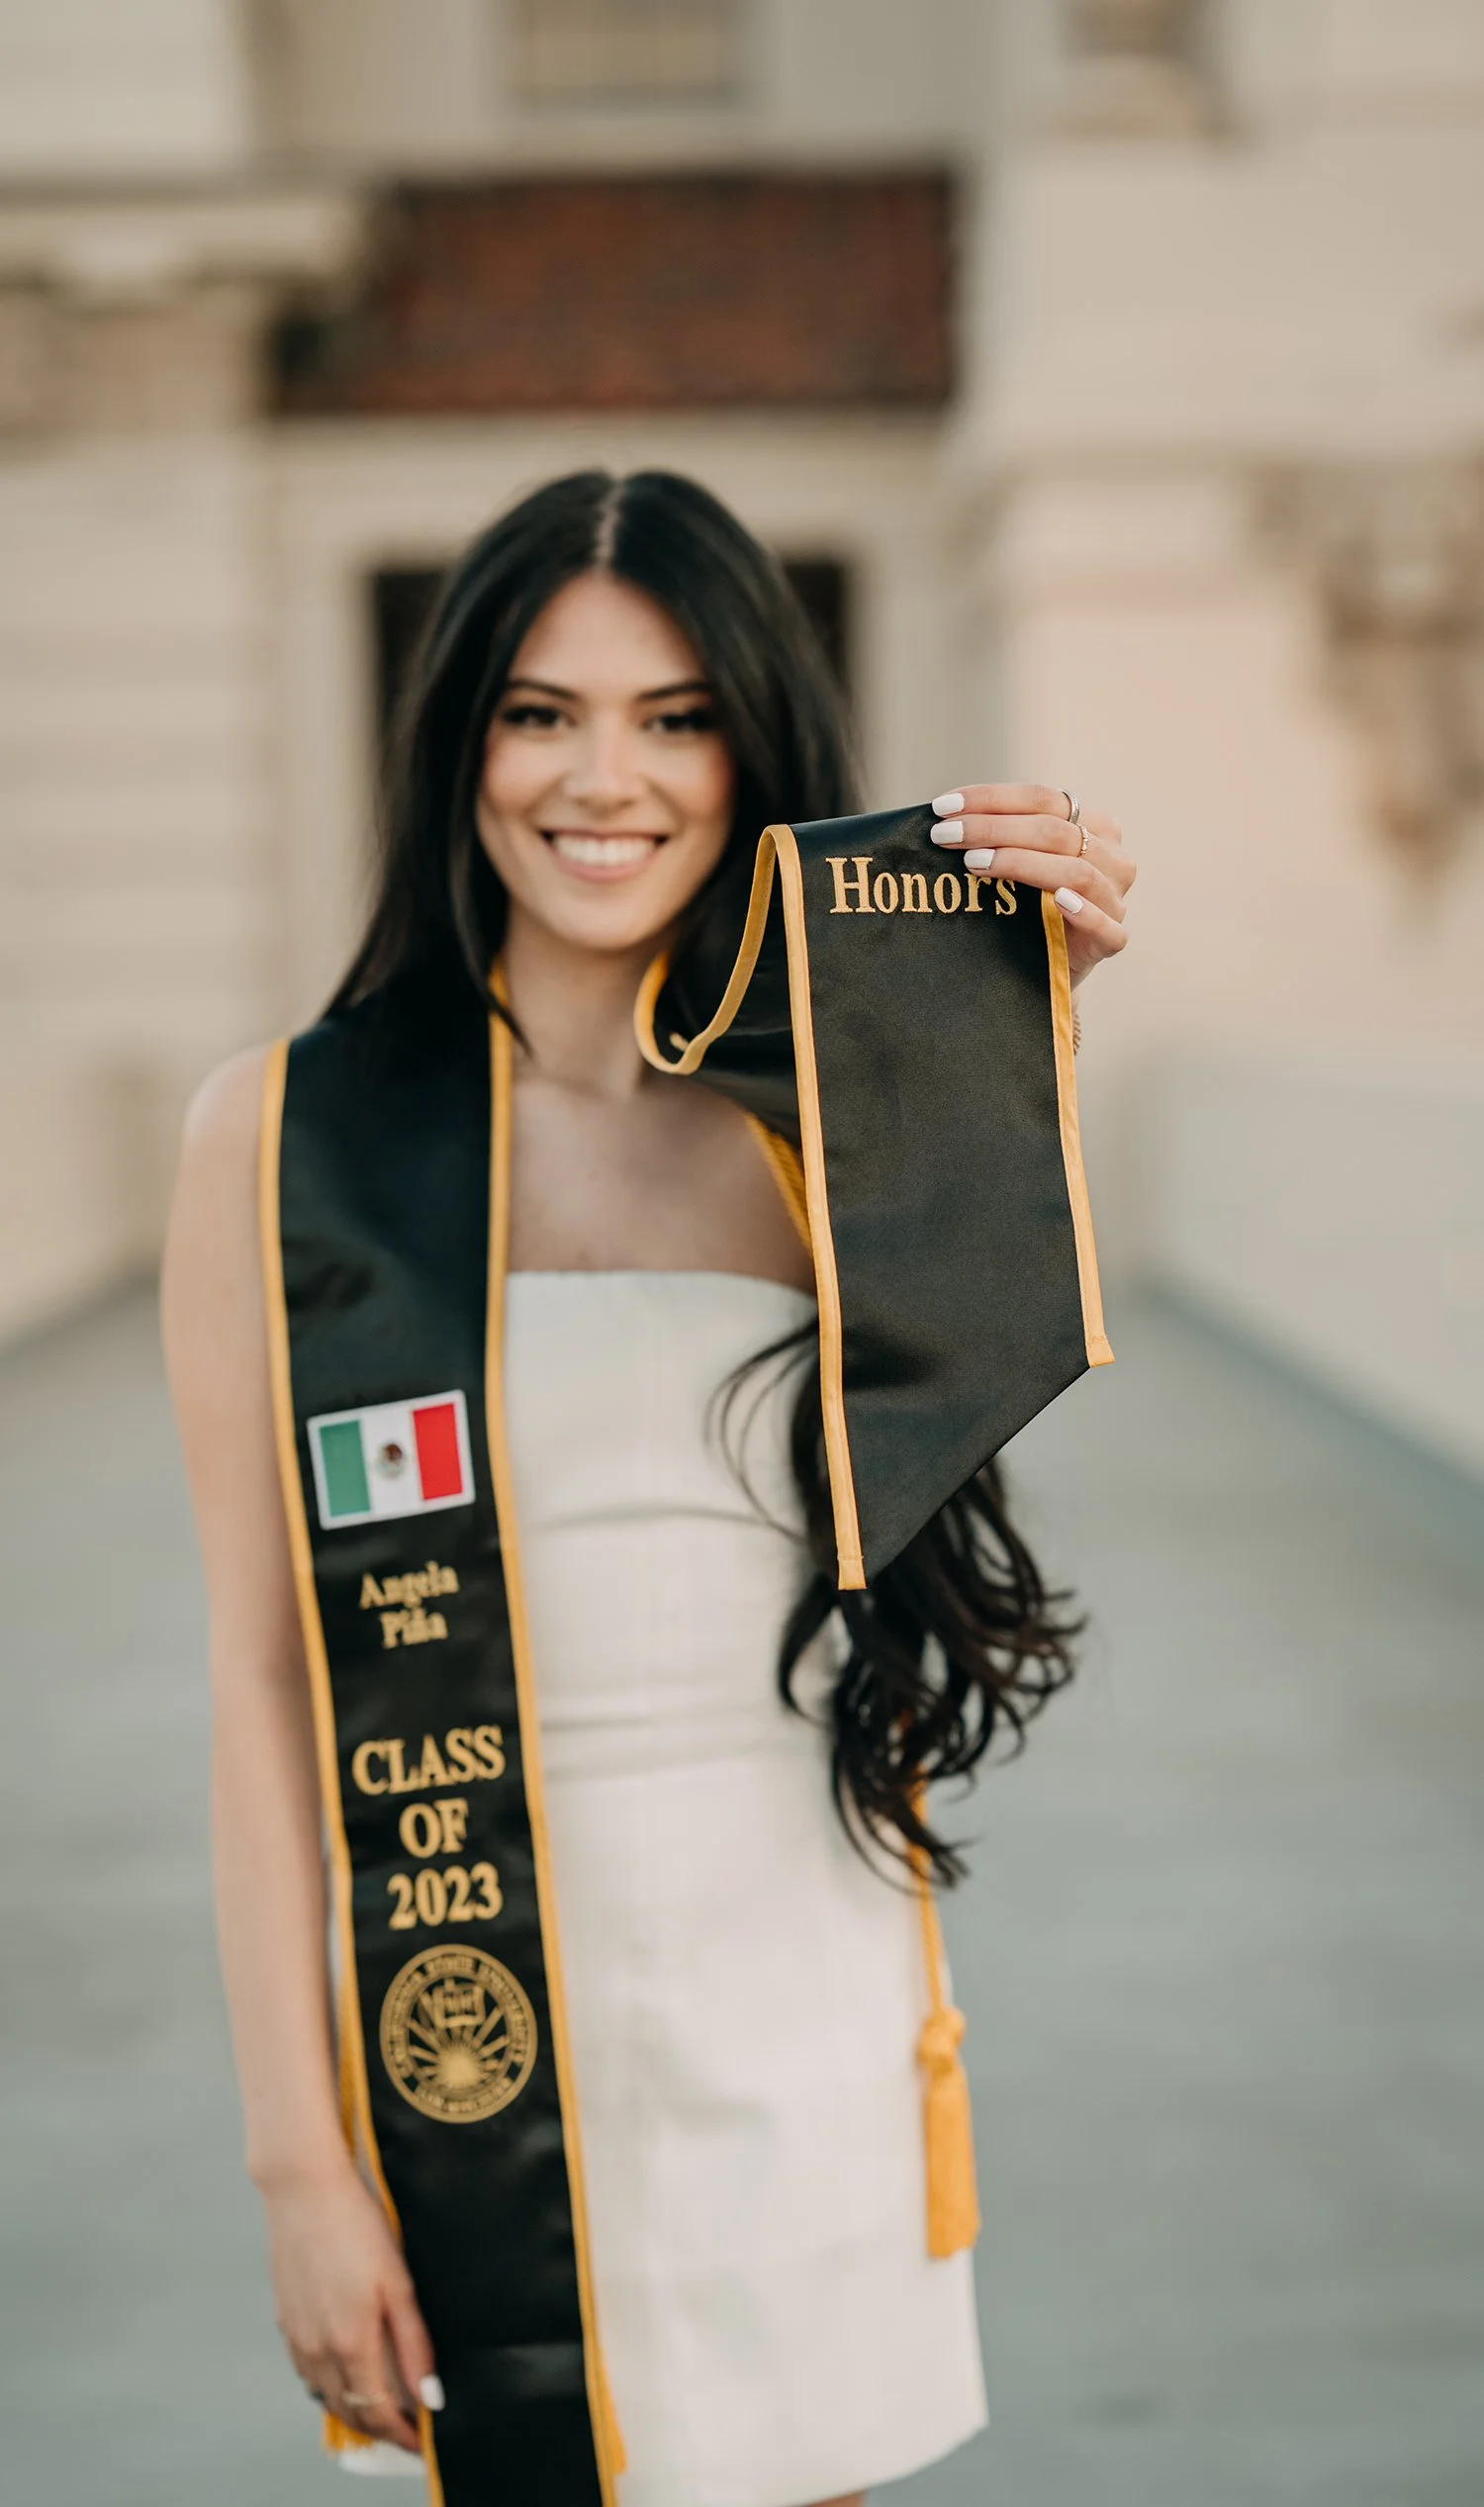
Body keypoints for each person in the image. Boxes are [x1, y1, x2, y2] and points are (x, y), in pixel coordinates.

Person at [162, 469, 1136, 2507]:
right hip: (484, 2016)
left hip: (807, 2006)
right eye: (543, 710)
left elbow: (950, 1422)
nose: (607, 777)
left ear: (753, 749)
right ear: (461, 744)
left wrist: (999, 1017)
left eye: (678, 715)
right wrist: (296, 2159)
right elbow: (266, 1676)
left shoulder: (826, 1127)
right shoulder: (284, 1141)